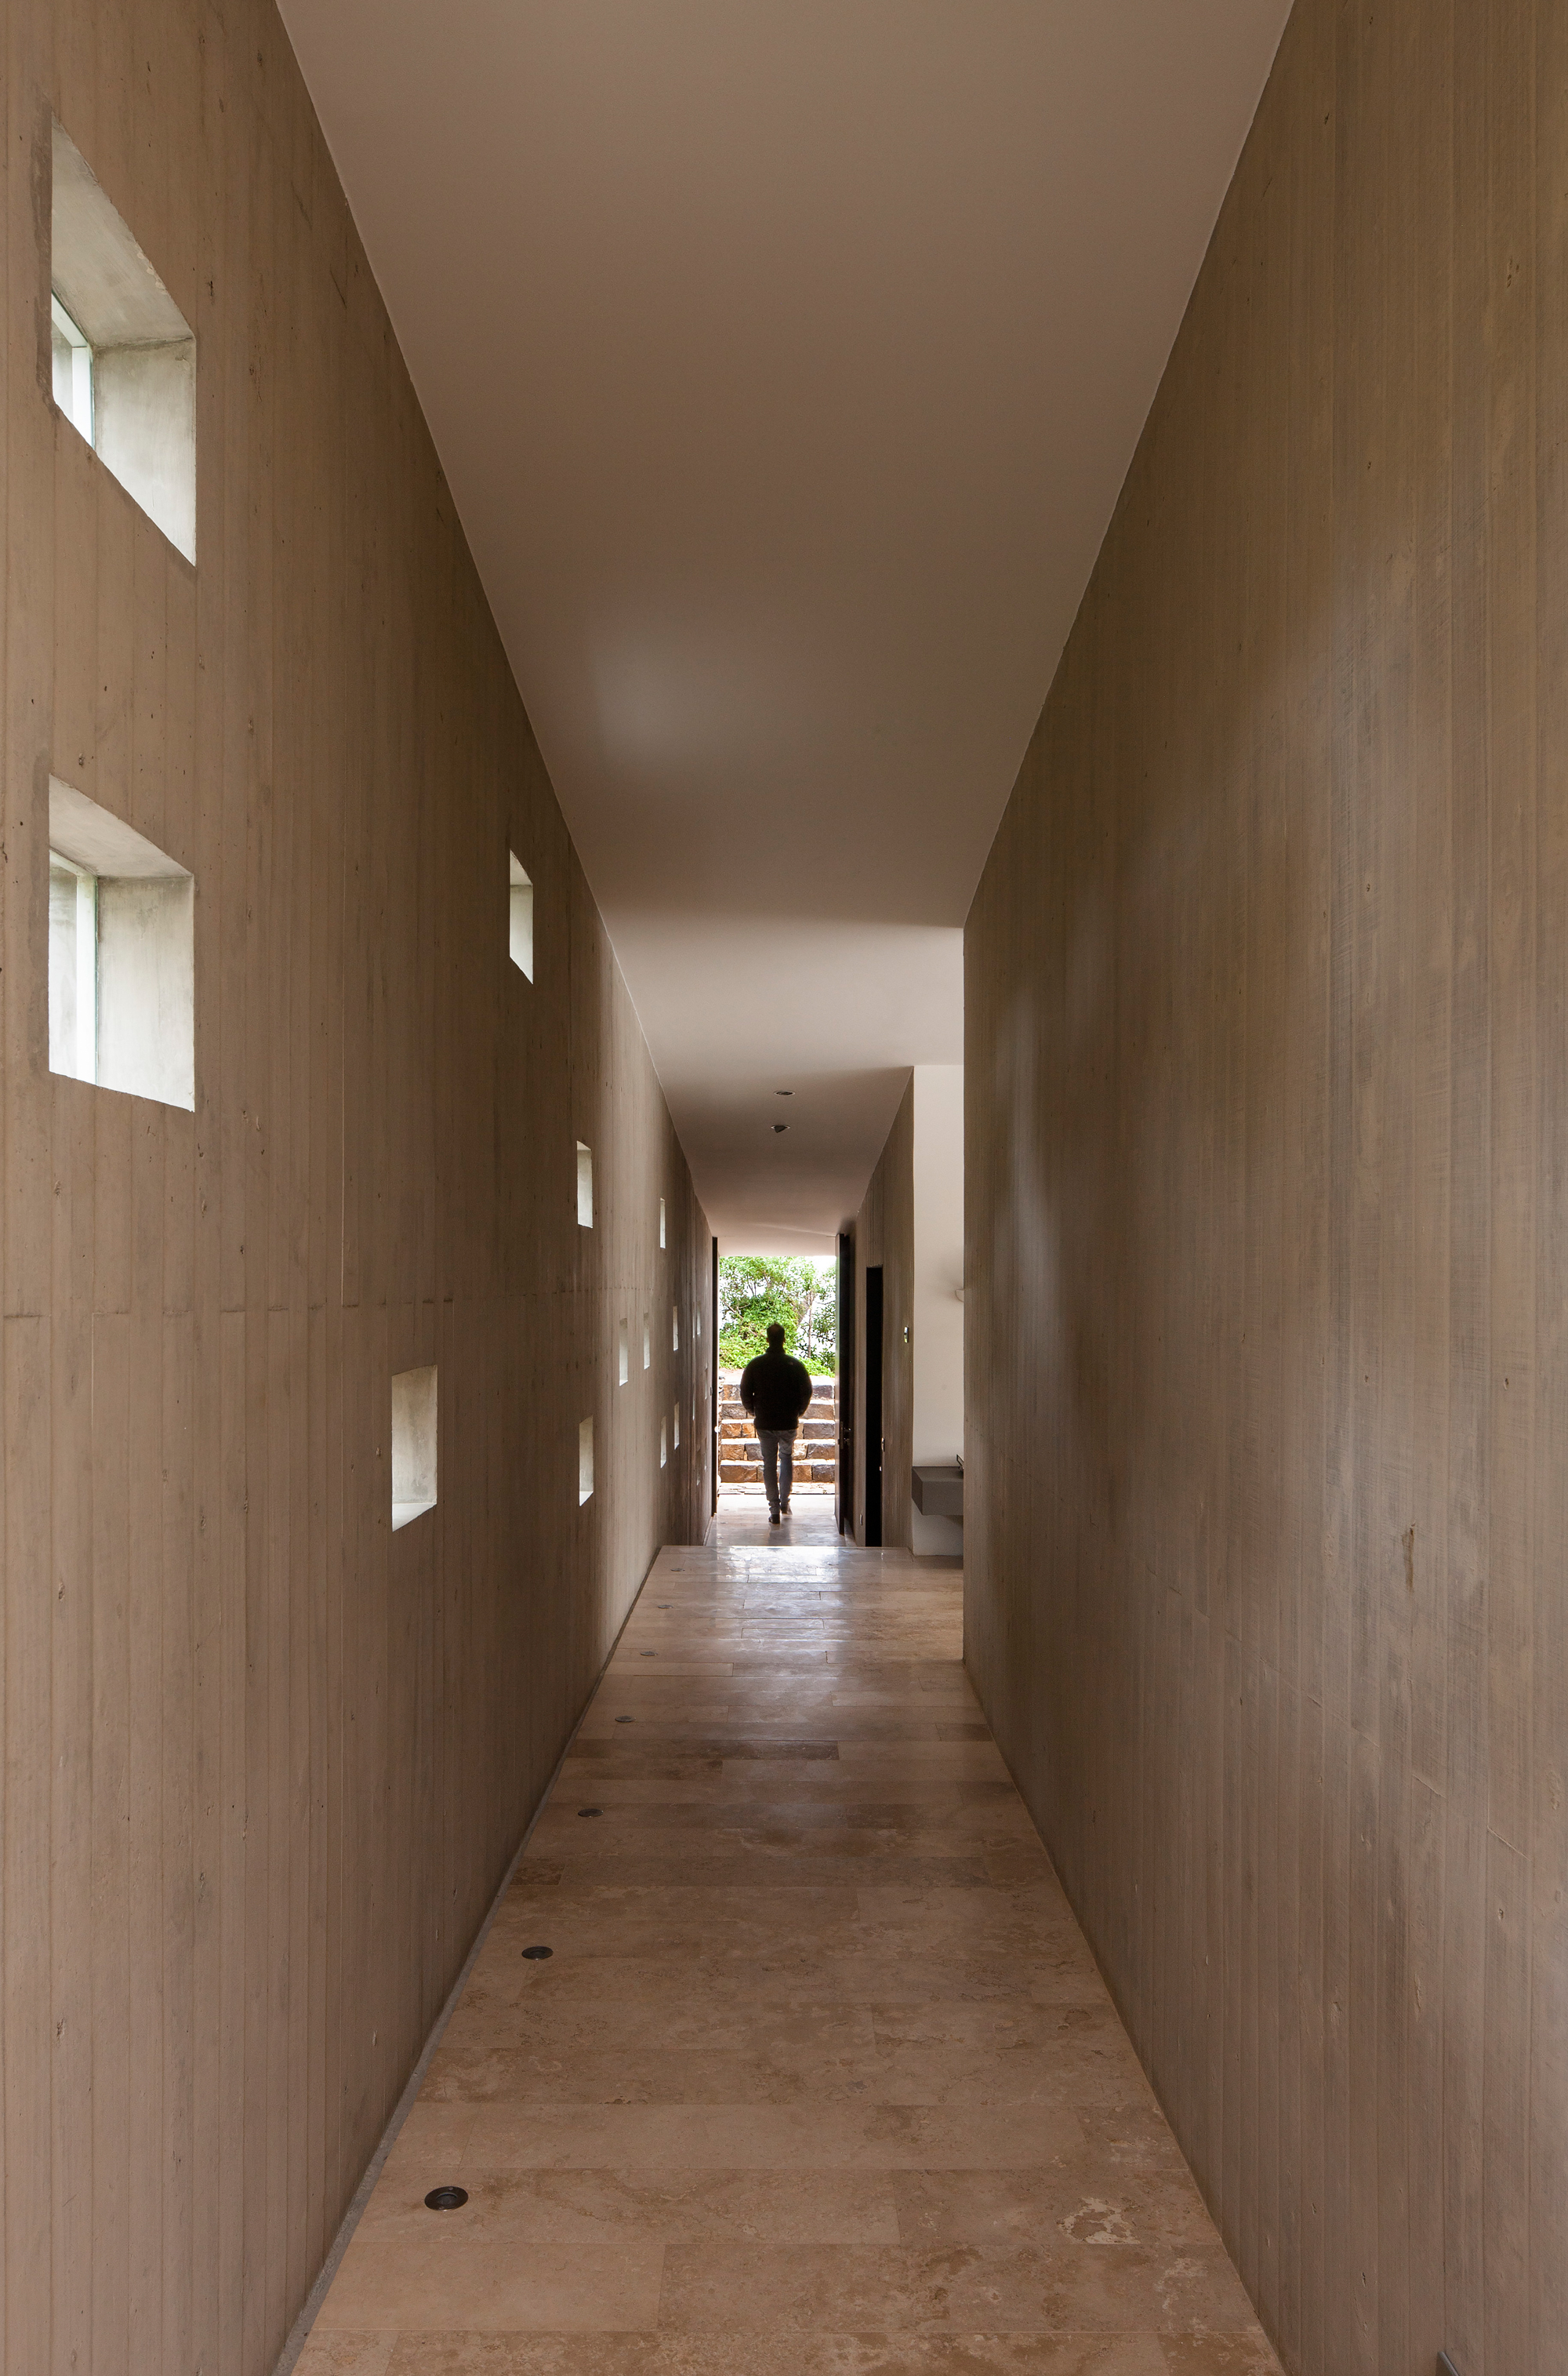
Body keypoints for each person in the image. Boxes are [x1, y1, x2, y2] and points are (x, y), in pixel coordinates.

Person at [739, 1323, 815, 1524]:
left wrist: (754, 1411)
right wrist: (798, 1411)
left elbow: (745, 1393)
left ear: (767, 1340)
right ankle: (785, 1502)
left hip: (765, 1422)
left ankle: (774, 1509)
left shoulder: (755, 1365)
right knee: (787, 1458)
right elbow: (806, 1392)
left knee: (769, 1464)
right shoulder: (795, 1365)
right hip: (788, 1422)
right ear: (784, 1340)